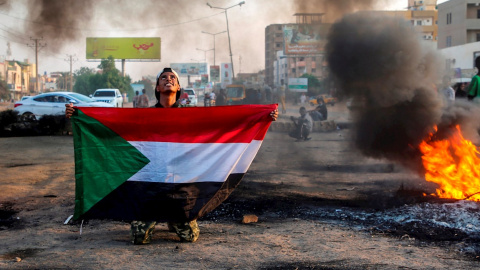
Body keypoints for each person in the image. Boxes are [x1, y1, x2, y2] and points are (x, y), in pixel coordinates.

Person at [65, 67, 278, 245]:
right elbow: (111, 126)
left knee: (190, 237)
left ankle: (173, 219)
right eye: (164, 78)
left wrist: (263, 117)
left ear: (178, 88)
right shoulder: (144, 117)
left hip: (180, 189)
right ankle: (154, 217)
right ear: (158, 87)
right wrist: (78, 116)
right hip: (148, 189)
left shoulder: (190, 116)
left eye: (173, 78)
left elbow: (226, 123)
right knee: (139, 239)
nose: (168, 80)